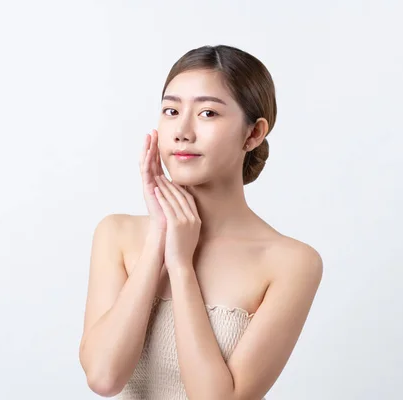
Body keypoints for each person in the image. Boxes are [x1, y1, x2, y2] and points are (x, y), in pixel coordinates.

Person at [78, 44, 323, 400]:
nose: (182, 131)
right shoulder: (116, 234)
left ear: (253, 134)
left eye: (208, 113)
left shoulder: (291, 263)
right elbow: (103, 378)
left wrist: (180, 266)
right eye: (171, 110)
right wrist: (159, 239)